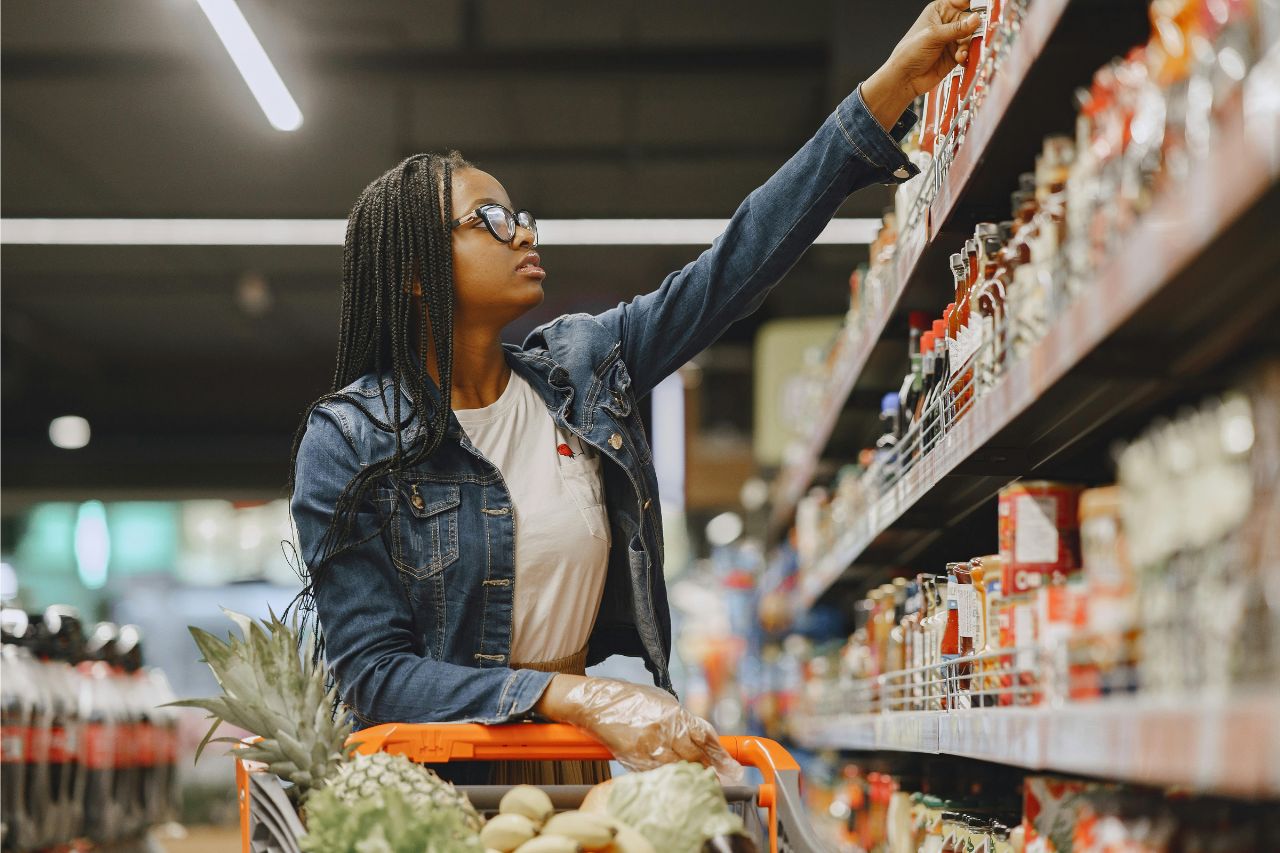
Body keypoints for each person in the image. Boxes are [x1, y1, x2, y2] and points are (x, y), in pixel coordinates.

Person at [288, 0, 982, 785]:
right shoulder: (349, 441)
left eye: (521, 214)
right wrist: (570, 697)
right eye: (488, 218)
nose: (523, 232)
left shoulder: (578, 371)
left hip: (575, 777)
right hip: (429, 795)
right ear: (415, 272)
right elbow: (375, 677)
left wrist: (886, 91)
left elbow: (734, 265)